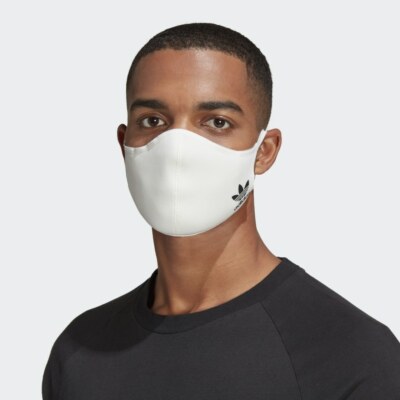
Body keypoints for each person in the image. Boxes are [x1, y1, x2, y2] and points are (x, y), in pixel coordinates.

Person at [42, 22, 400, 399]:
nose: (177, 149)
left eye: (217, 122)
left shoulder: (352, 357)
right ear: (124, 143)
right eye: (153, 121)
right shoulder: (80, 352)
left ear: (264, 152)